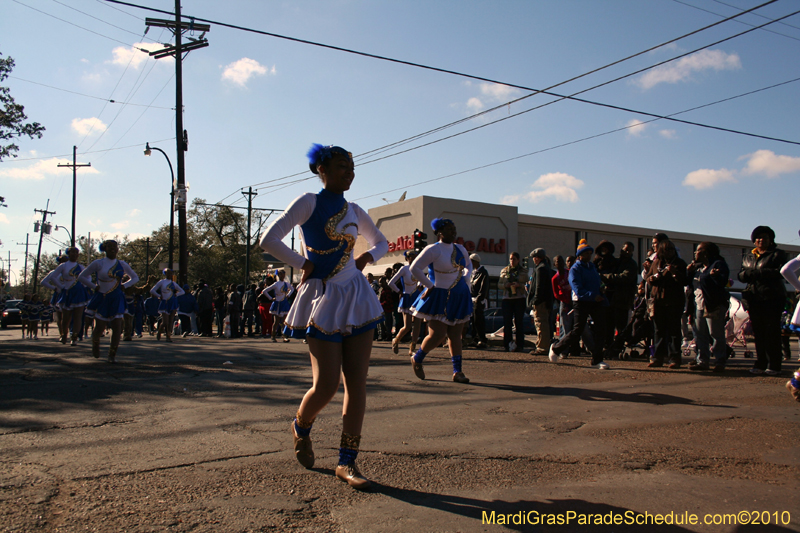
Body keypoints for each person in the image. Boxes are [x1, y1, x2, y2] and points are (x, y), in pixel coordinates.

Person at [260, 143, 388, 490]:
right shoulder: (308, 202)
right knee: (327, 384)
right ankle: (301, 425)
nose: (350, 172)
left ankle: (347, 462)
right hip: (323, 298)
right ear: (322, 170)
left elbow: (382, 242)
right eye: (342, 166)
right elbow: (268, 240)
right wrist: (303, 263)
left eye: (352, 167)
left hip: (357, 296)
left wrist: (367, 258)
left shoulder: (355, 210)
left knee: (357, 383)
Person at [409, 217, 473, 383]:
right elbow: (415, 268)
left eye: (454, 229)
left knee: (455, 335)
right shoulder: (433, 249)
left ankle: (457, 372)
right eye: (449, 229)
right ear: (439, 232)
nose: (453, 232)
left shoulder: (460, 248)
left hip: (459, 295)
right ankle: (417, 358)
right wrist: (429, 285)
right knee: (437, 335)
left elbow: (468, 265)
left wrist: (466, 279)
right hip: (439, 295)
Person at [548, 240, 609, 369]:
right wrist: (592, 295)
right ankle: (556, 348)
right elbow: (577, 288)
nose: (589, 256)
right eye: (586, 253)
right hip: (581, 301)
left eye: (590, 253)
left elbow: (598, 281)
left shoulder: (592, 267)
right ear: (580, 255)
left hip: (596, 301)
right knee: (578, 330)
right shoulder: (575, 269)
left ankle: (597, 360)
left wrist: (602, 288)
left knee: (601, 329)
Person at [739, 225, 789, 375]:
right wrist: (746, 275)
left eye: (765, 237)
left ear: (771, 240)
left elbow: (781, 272)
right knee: (758, 333)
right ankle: (760, 363)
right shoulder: (748, 256)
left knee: (771, 332)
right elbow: (741, 274)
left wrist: (758, 273)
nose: (761, 240)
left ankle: (774, 365)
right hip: (754, 298)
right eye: (758, 238)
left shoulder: (778, 254)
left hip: (772, 297)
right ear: (754, 241)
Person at [78, 240, 139, 362]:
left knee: (117, 326)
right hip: (102, 297)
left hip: (117, 297)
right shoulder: (98, 263)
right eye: (109, 246)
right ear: (104, 249)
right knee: (100, 326)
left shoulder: (122, 264)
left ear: (117, 249)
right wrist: (94, 286)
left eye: (114, 247)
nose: (112, 249)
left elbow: (135, 277)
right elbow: (81, 277)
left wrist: (125, 286)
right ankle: (95, 343)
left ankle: (112, 354)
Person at [687, 242, 730, 372]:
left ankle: (720, 361)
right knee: (700, 334)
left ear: (706, 253)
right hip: (699, 304)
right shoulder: (698, 267)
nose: (695, 253)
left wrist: (715, 276)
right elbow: (688, 283)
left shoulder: (718, 264)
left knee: (715, 334)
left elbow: (722, 282)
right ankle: (702, 361)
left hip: (713, 304)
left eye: (698, 251)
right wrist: (689, 272)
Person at [646, 239, 687, 369]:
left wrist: (674, 273)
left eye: (672, 249)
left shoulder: (679, 263)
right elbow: (648, 277)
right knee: (658, 330)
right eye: (667, 250)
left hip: (674, 301)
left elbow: (685, 281)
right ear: (661, 251)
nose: (670, 252)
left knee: (674, 331)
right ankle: (658, 357)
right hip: (658, 301)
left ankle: (675, 358)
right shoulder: (656, 263)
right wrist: (651, 279)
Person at [45, 247, 90, 346]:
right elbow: (53, 277)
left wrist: (84, 285)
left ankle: (74, 337)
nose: (74, 254)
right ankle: (64, 334)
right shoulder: (63, 266)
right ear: (68, 254)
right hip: (67, 293)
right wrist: (61, 287)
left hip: (79, 293)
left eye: (76, 252)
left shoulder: (80, 267)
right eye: (72, 252)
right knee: (66, 317)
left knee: (78, 317)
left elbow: (88, 277)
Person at [602, 241, 639, 359]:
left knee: (621, 326)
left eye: (629, 250)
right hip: (611, 299)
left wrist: (607, 277)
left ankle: (617, 348)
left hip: (623, 300)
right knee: (608, 326)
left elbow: (625, 277)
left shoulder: (632, 265)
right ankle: (608, 347)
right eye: (625, 249)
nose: (627, 252)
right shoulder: (616, 262)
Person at [388, 250, 423, 355]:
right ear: (407, 258)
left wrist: (421, 286)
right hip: (407, 297)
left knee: (417, 324)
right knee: (407, 326)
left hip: (416, 298)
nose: (413, 259)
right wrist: (399, 292)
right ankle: (396, 340)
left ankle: (412, 348)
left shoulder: (419, 268)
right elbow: (391, 283)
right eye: (411, 257)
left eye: (415, 256)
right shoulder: (404, 269)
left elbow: (422, 280)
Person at [499, 252, 528, 352]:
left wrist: (519, 285)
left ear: (518, 260)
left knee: (518, 322)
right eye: (511, 259)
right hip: (507, 299)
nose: (512, 261)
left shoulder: (523, 271)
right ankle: (507, 344)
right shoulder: (504, 271)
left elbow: (527, 285)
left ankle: (520, 344)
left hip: (519, 298)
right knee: (507, 322)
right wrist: (505, 285)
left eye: (514, 259)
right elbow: (499, 284)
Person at [527, 248, 554, 355]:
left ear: (537, 258)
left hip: (541, 302)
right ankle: (541, 344)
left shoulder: (540, 269)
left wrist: (535, 300)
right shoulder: (546, 268)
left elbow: (539, 287)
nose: (533, 259)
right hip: (546, 301)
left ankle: (542, 347)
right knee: (544, 323)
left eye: (534, 257)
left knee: (541, 324)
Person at [150, 269, 185, 342]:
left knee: (171, 321)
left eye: (170, 273)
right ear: (165, 274)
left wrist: (176, 294)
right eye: (168, 273)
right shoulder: (162, 282)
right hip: (165, 302)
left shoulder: (173, 283)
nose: (169, 275)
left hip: (172, 302)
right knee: (165, 322)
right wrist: (159, 296)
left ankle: (168, 336)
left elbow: (182, 291)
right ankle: (160, 330)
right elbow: (152, 290)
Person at [265, 270, 295, 343]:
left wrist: (288, 295)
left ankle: (284, 336)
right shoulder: (276, 284)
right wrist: (271, 298)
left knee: (284, 322)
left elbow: (292, 289)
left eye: (283, 274)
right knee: (276, 322)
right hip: (277, 303)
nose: (282, 276)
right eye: (281, 274)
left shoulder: (286, 283)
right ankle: (273, 336)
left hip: (284, 303)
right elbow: (265, 291)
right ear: (279, 275)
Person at [551, 255, 571, 340]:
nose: (560, 263)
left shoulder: (570, 273)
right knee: (565, 325)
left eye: (561, 261)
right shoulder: (555, 278)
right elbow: (556, 294)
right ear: (554, 264)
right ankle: (564, 344)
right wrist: (564, 299)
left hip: (574, 300)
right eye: (557, 262)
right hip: (565, 302)